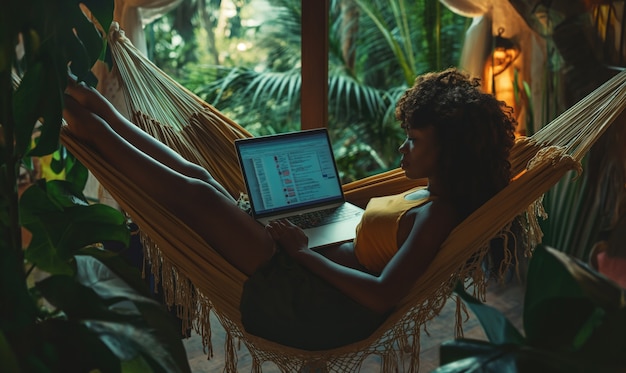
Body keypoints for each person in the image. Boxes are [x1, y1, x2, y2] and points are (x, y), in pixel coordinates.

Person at [62, 67, 516, 350]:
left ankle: (89, 128)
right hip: (303, 260)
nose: (403, 148)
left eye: (415, 142)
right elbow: (373, 236)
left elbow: (382, 294)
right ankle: (100, 110)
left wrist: (302, 252)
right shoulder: (428, 196)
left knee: (198, 198)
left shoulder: (439, 214)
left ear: (452, 155)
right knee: (202, 179)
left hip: (307, 295)